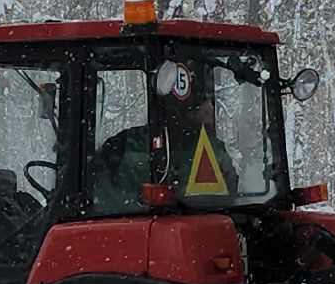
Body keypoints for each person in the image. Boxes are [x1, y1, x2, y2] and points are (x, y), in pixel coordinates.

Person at [94, 61, 235, 211]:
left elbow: (229, 196)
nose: (211, 110)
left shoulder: (214, 150)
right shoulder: (124, 146)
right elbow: (105, 202)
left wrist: (187, 200)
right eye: (206, 102)